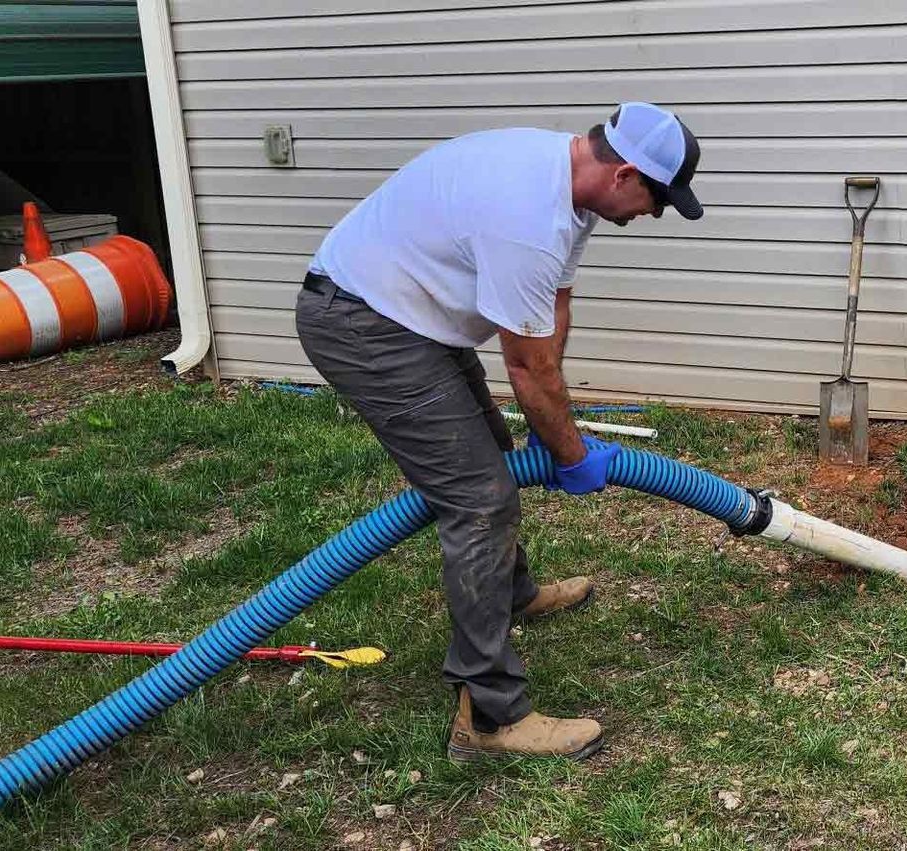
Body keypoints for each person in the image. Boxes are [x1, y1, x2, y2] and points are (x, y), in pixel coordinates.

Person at [294, 101, 703, 761]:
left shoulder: (571, 189)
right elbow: (526, 367)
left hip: (407, 312)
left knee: (494, 461)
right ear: (626, 173)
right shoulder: (529, 216)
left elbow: (552, 312)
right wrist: (571, 454)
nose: (654, 214)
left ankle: (510, 593)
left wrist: (554, 429)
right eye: (658, 199)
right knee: (480, 498)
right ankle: (489, 717)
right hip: (362, 321)